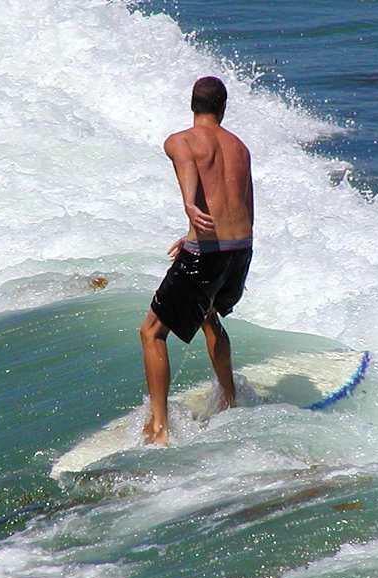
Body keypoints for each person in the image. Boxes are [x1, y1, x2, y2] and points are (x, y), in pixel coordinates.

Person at [140, 76, 254, 445]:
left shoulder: (181, 140)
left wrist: (190, 206)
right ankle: (230, 400)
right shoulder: (240, 147)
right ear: (223, 107)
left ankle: (159, 428)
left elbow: (187, 163)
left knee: (151, 332)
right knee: (209, 315)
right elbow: (243, 205)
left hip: (206, 253)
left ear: (193, 105)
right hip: (239, 249)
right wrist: (195, 232)